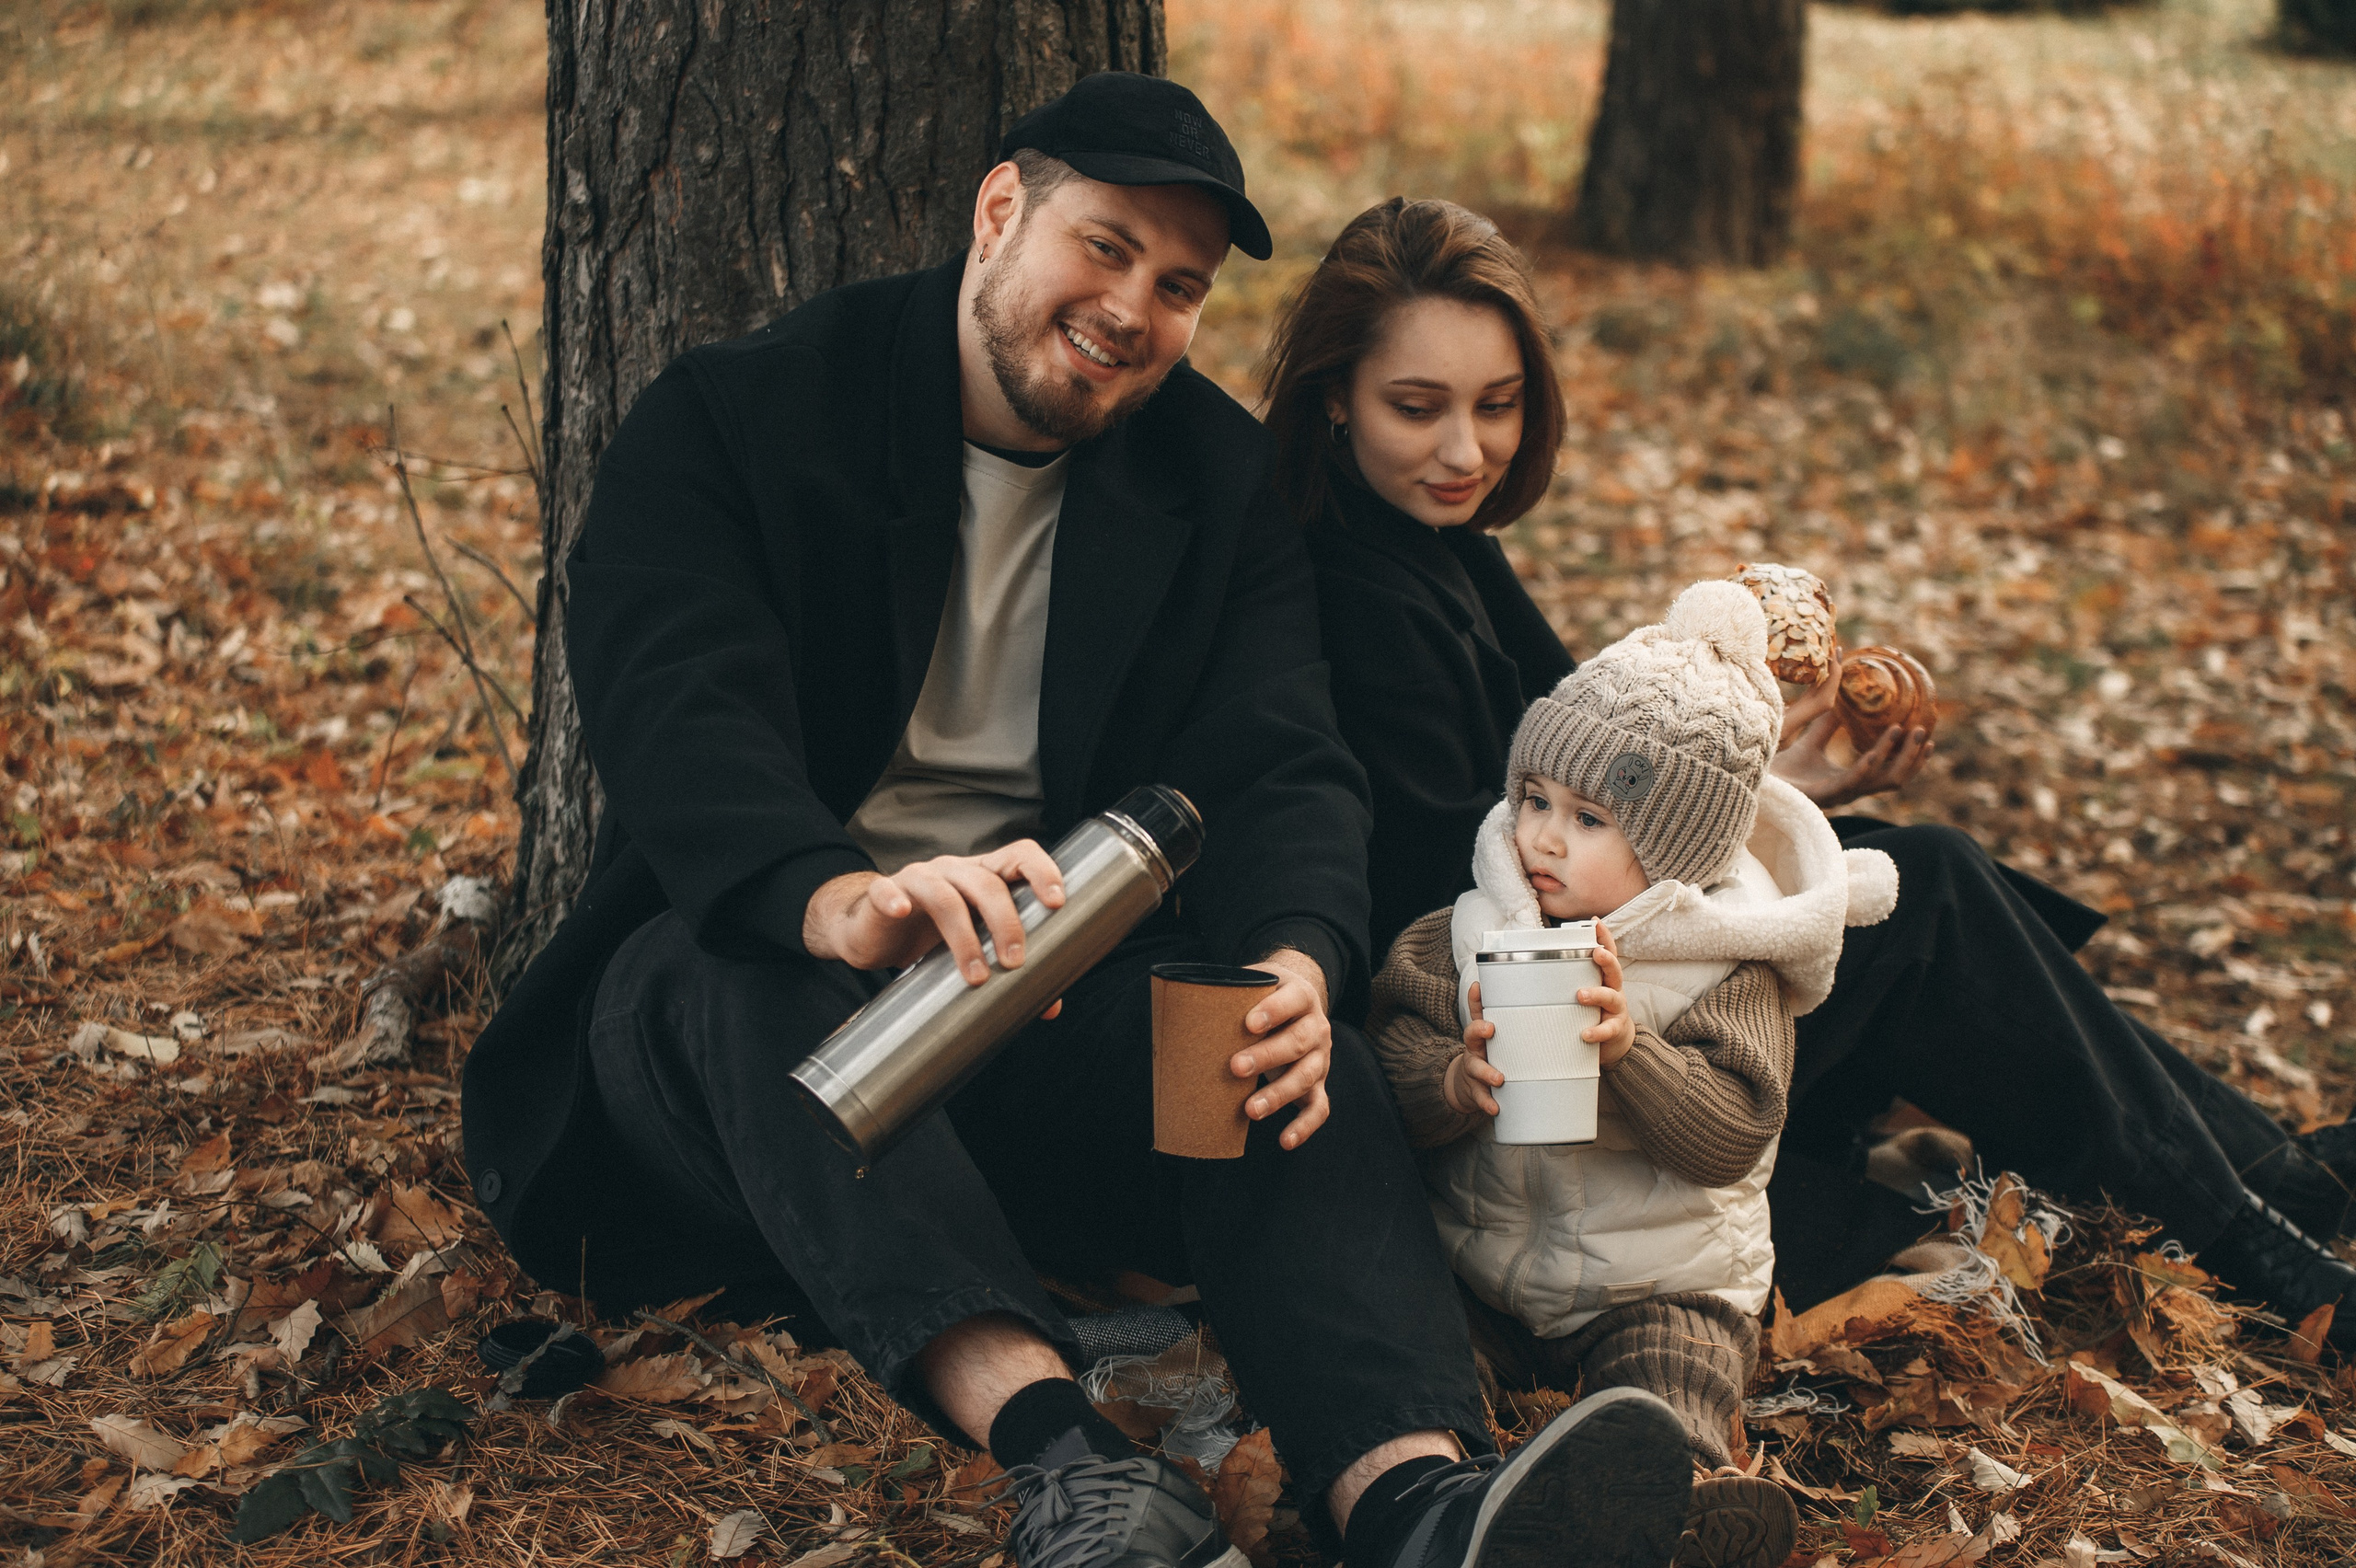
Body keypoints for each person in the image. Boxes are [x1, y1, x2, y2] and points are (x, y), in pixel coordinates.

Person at [462, 78, 1696, 1568]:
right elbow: (674, 701)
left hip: (1048, 1027)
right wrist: (842, 896)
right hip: (749, 1025)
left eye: (1177, 286)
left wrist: (1298, 957)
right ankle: (1074, 1459)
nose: (1133, 308)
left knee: (1257, 1036)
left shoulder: (1212, 475)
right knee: (744, 981)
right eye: (1103, 248)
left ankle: (1419, 1499)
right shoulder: (744, 415)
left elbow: (1284, 759)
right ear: (1000, 212)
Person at [1265, 195, 2356, 1353]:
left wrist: (1763, 788)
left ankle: (2265, 1178)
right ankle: (2258, 1236)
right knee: (1925, 891)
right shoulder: (1349, 587)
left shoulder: (1436, 538)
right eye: (1416, 408)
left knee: (1920, 875)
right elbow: (1488, 867)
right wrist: (1743, 834)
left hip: (1611, 943)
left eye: (1497, 404)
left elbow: (1590, 765)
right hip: (1557, 1021)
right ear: (1335, 394)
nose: (1465, 450)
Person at [1369, 581, 1900, 1568]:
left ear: (1676, 852)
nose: (1541, 837)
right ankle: (1432, 1496)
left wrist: (1628, 1053)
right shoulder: (1474, 927)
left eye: (1588, 819)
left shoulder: (1723, 968)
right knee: (1413, 1355)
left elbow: (1733, 1134)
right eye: (1532, 800)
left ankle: (1681, 1503)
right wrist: (1449, 1083)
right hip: (1479, 1265)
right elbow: (1390, 1043)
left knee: (1674, 1372)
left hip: (1656, 1279)